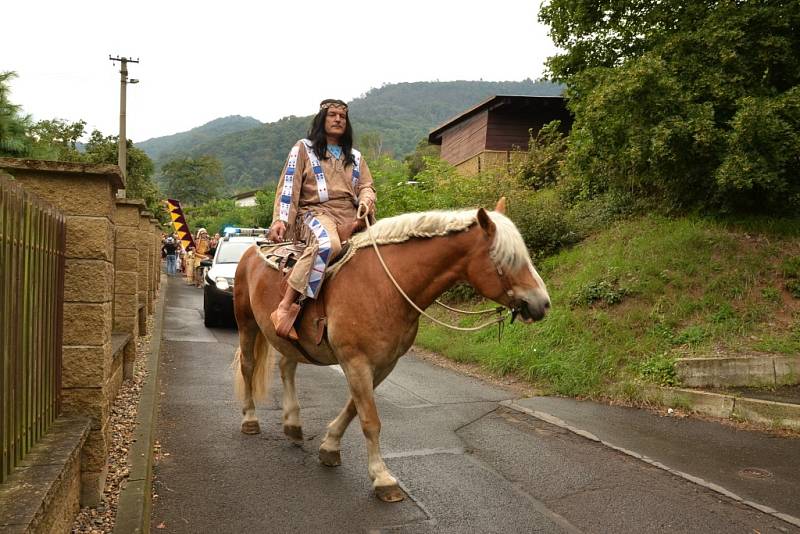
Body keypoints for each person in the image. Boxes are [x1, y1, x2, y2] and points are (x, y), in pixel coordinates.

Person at [268, 98, 376, 339]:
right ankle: (285, 307)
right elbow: (289, 186)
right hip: (315, 212)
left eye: (342, 116)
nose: (338, 119)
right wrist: (280, 220)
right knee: (329, 245)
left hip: (351, 214)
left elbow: (367, 186)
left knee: (382, 248)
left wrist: (367, 201)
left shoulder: (356, 157)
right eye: (332, 115)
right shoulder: (303, 148)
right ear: (322, 119)